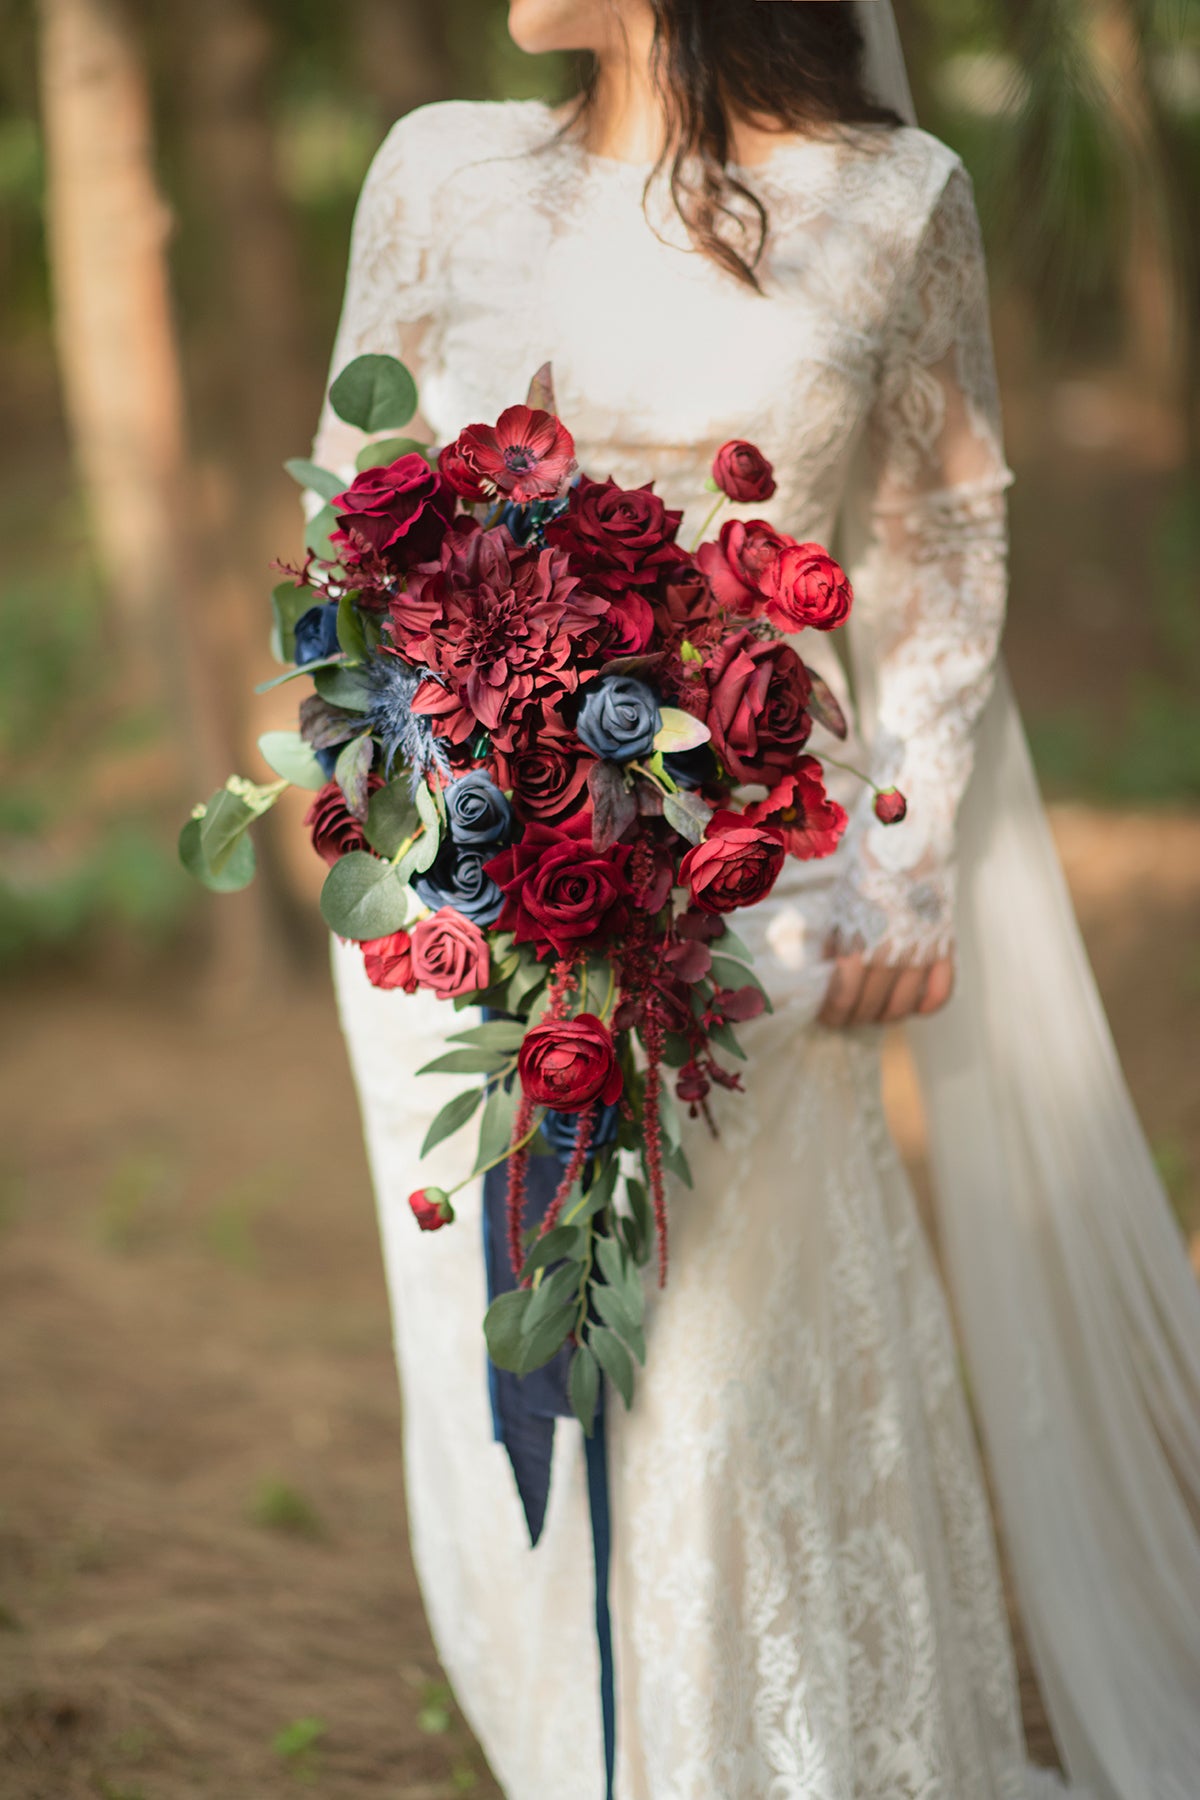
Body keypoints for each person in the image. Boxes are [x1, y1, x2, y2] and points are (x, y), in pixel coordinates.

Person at [310, 4, 1200, 1796]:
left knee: (718, 1383)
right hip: (461, 903)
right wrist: (395, 782)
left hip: (758, 893)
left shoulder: (898, 198)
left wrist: (909, 844)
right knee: (519, 1390)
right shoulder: (438, 170)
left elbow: (946, 525)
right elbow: (348, 505)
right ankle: (583, 1749)